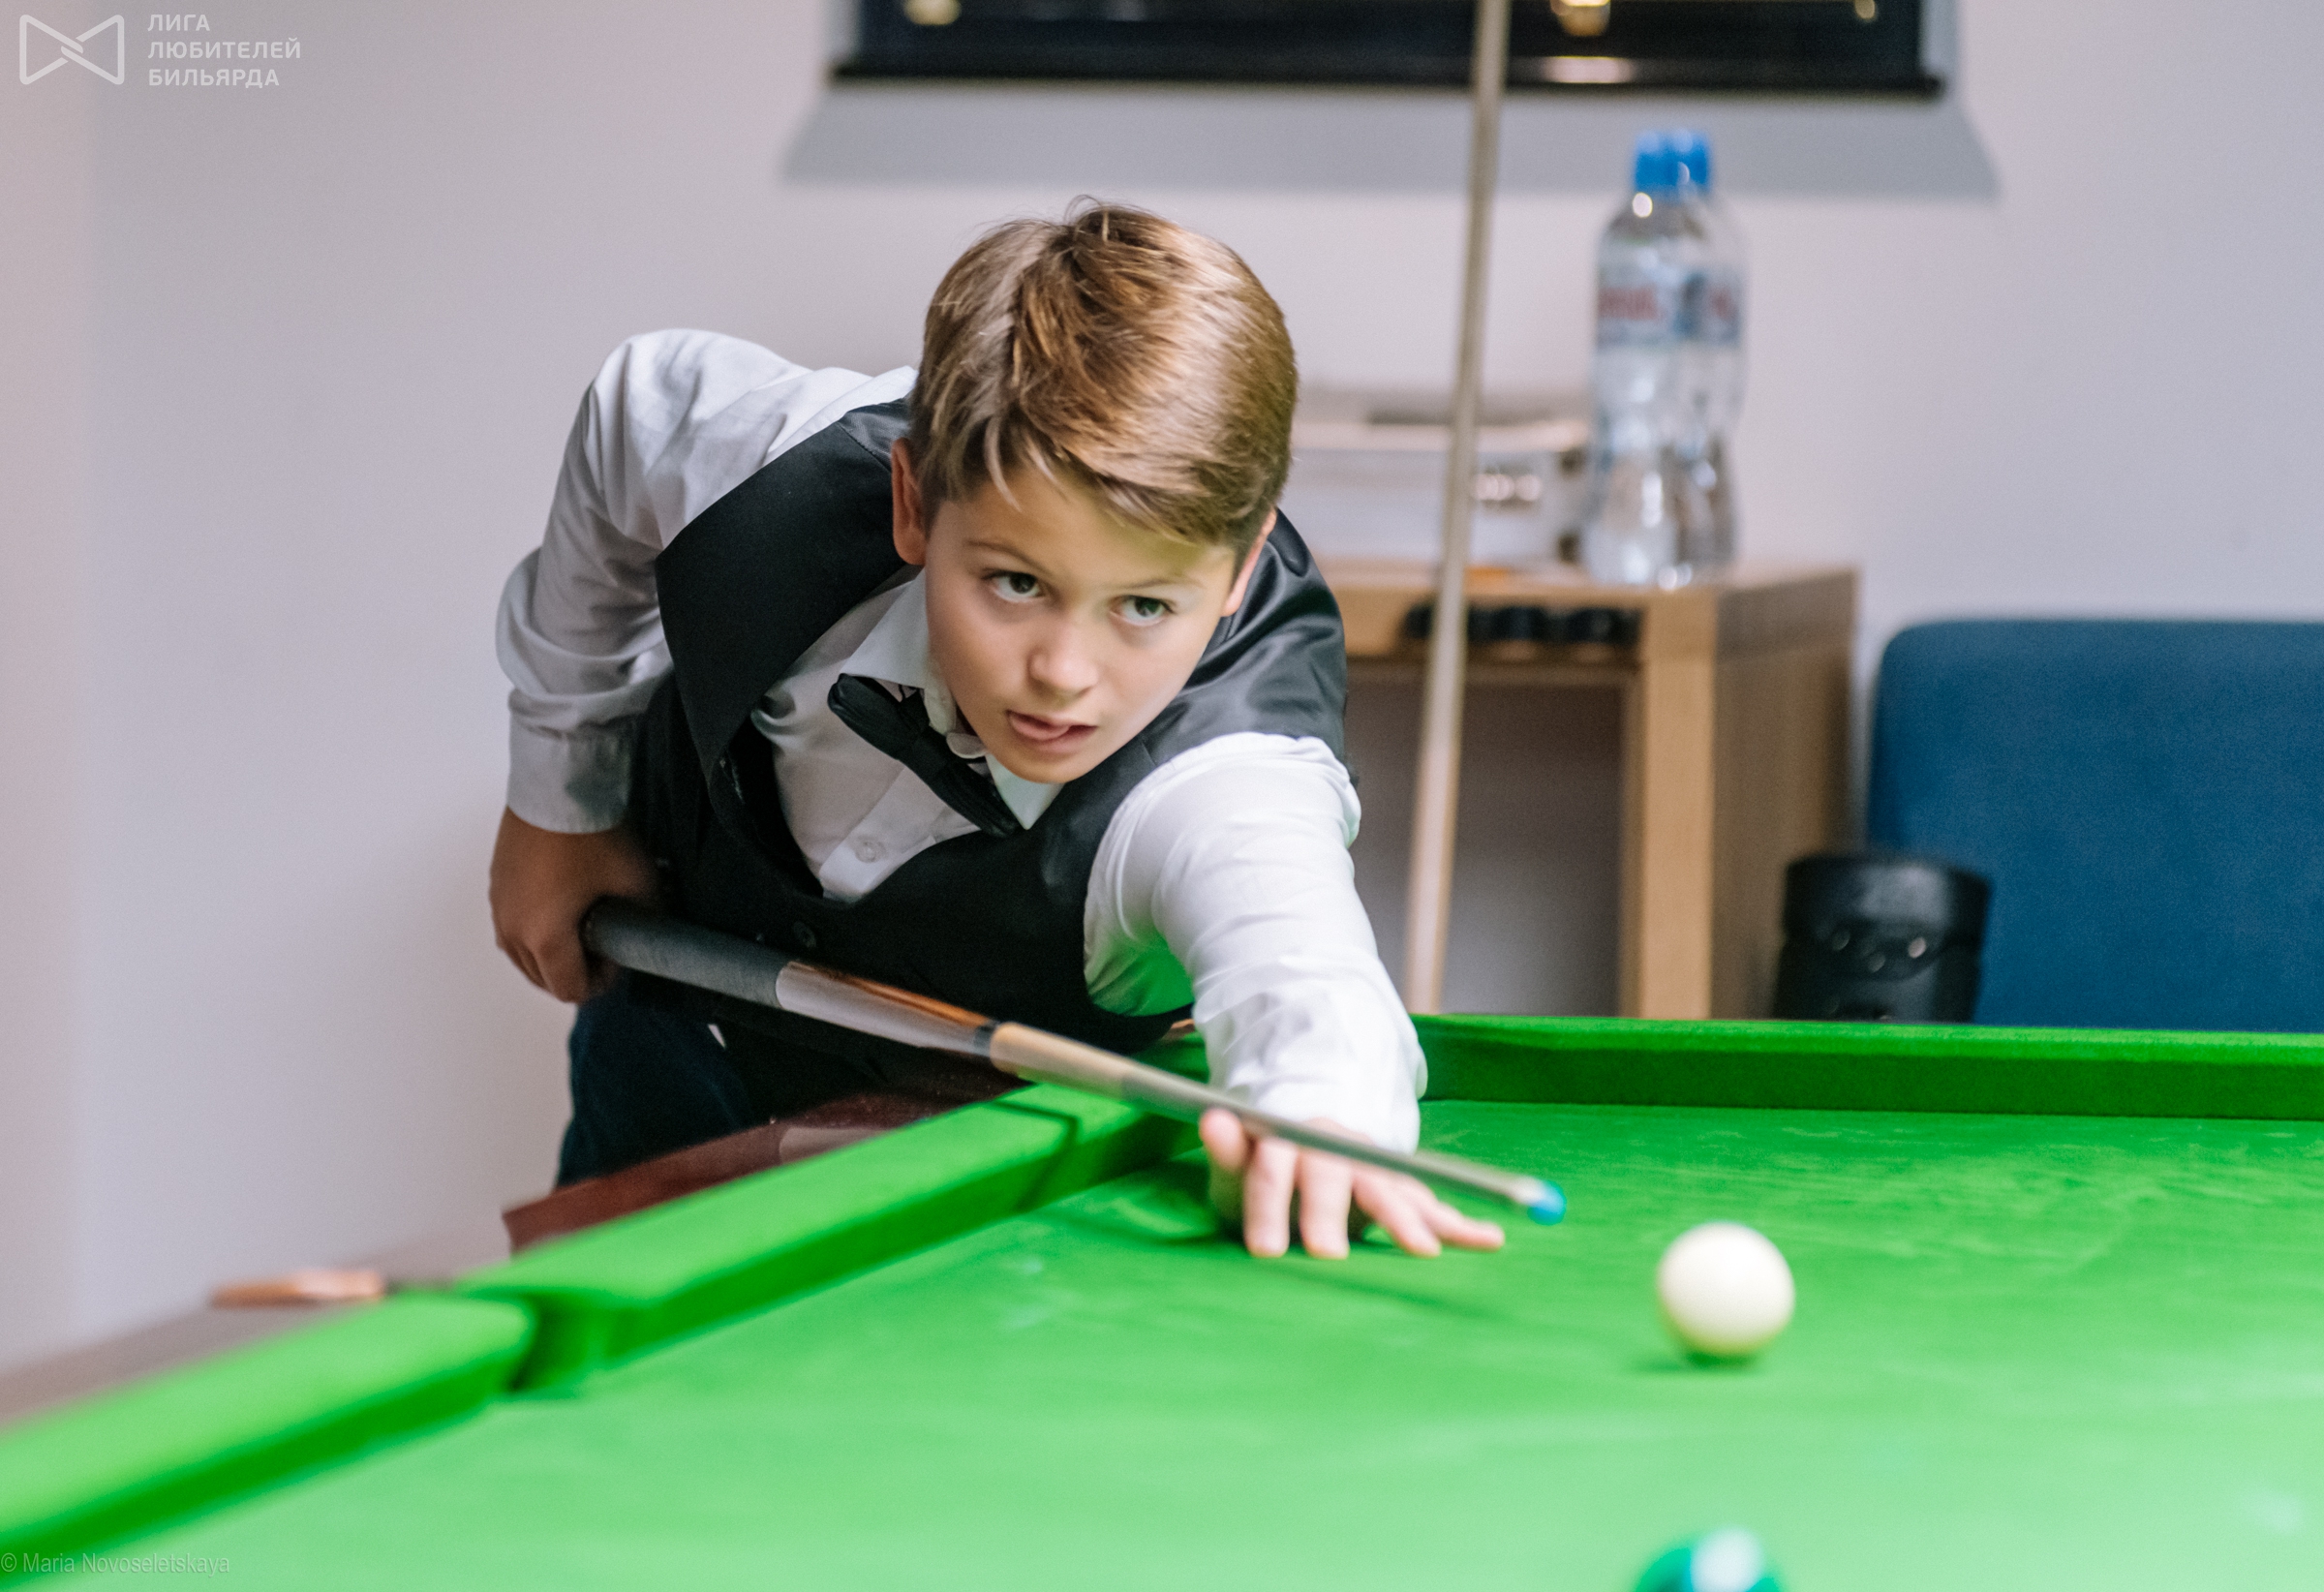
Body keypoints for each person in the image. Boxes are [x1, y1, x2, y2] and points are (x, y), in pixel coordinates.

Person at [489, 202, 1501, 1262]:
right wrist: (560, 799)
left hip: (977, 1168)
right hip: (673, 1023)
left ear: (1240, 572)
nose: (1064, 673)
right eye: (1017, 583)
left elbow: (1298, 963)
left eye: (1143, 607)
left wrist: (1323, 1110)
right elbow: (628, 414)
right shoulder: (777, 469)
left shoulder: (1220, 782)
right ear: (915, 502)